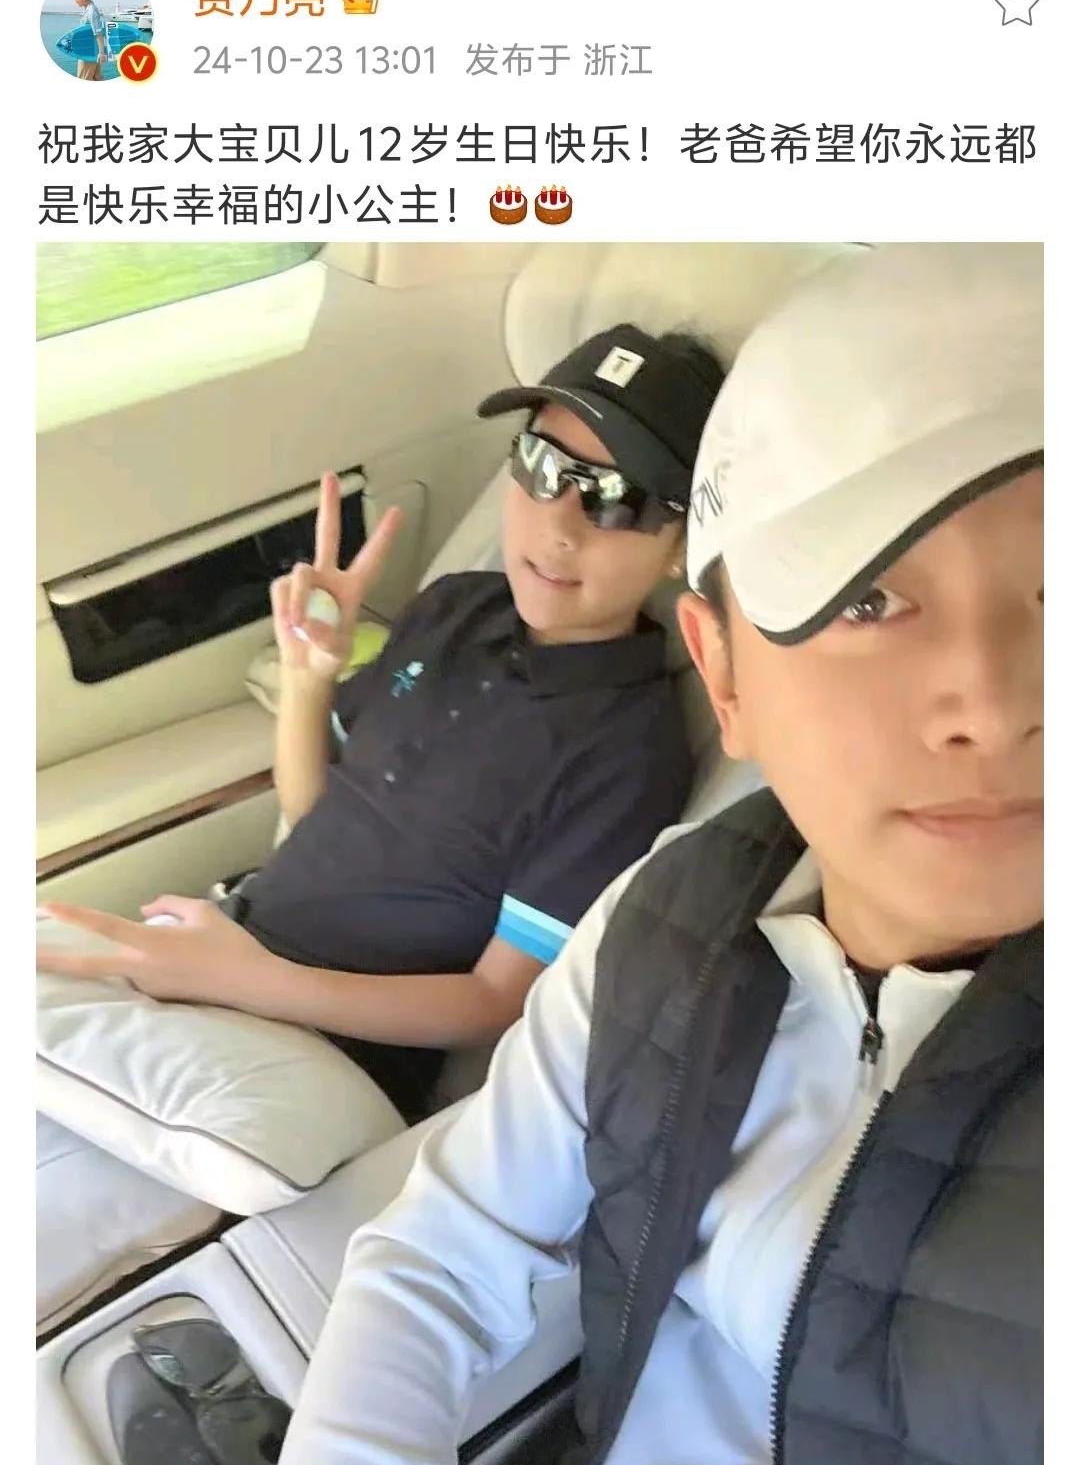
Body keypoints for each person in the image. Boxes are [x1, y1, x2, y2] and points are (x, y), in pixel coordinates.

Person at [258, 243, 1043, 1465]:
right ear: (723, 672)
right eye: (868, 598)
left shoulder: (611, 764)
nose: (993, 705)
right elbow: (442, 1250)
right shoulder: (660, 918)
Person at [37, 325, 721, 1121]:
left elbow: (493, 1001)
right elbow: (310, 807)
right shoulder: (455, 606)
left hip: (325, 1052)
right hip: (226, 945)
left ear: (680, 544)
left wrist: (245, 979)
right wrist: (307, 677)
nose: (559, 525)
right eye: (542, 467)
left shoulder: (628, 754)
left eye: (614, 498)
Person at [71, 0, 109, 79]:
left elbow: (98, 33)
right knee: (96, 78)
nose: (75, 1)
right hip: (92, 51)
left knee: (84, 78)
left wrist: (101, 53)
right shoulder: (88, 9)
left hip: (88, 53)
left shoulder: (91, 11)